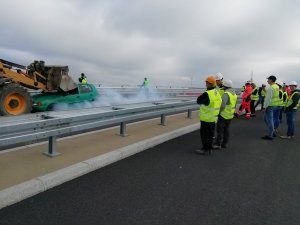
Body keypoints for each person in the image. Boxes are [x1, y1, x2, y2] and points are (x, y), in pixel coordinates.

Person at [195, 76, 222, 155]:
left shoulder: (207, 94)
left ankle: (205, 149)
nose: (205, 84)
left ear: (209, 84)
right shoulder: (217, 92)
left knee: (204, 135)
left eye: (206, 83)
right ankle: (209, 148)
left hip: (206, 119)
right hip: (213, 119)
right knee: (211, 135)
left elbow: (198, 101)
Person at [212, 79, 237, 150]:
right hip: (230, 115)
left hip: (223, 115)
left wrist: (218, 112)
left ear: (225, 87)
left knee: (220, 130)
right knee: (227, 129)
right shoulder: (234, 94)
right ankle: (225, 143)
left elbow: (222, 105)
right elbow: (234, 105)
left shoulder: (226, 94)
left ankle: (218, 144)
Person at [261, 75, 280, 140]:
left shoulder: (271, 88)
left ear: (271, 80)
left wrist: (264, 107)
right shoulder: (276, 87)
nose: (267, 80)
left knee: (269, 120)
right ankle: (272, 131)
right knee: (266, 119)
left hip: (270, 106)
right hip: (274, 105)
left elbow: (268, 99)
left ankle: (270, 135)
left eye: (268, 79)